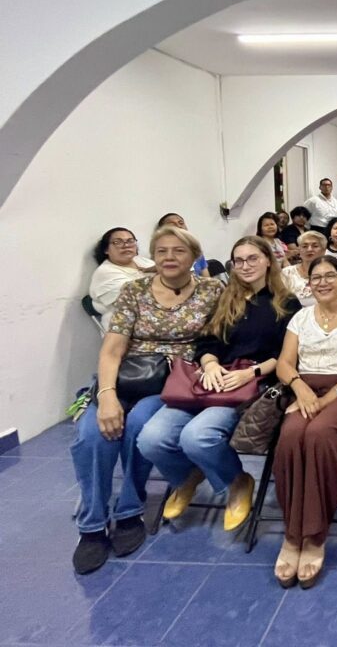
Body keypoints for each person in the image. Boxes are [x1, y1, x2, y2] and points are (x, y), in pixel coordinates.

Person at [71, 226, 222, 574]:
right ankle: (92, 526)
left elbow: (217, 340)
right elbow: (112, 350)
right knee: (92, 435)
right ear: (152, 256)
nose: (169, 257)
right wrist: (107, 396)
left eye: (179, 251)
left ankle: (129, 511)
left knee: (139, 426)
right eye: (162, 251)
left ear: (194, 256)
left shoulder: (212, 290)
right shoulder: (134, 291)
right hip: (127, 374)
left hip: (173, 380)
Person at [138, 236, 299, 533]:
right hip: (211, 379)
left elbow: (288, 355)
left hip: (251, 383)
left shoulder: (286, 303)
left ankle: (237, 481)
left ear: (268, 260)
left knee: (197, 437)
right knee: (151, 439)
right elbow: (207, 341)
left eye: (253, 258)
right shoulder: (226, 298)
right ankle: (186, 478)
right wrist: (210, 363)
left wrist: (251, 372)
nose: (245, 266)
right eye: (239, 261)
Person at [272, 255, 337, 589]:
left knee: (319, 434)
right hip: (305, 388)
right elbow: (284, 363)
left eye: (330, 275)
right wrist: (300, 388)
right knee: (291, 436)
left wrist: (326, 400)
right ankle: (293, 534)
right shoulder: (301, 318)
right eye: (316, 277)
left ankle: (315, 535)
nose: (322, 282)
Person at [89, 227, 156, 328]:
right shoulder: (105, 272)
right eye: (117, 242)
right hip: (128, 326)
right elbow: (139, 298)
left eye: (130, 241)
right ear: (106, 250)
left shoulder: (143, 261)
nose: (126, 245)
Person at [281, 231, 327, 306]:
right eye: (305, 246)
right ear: (299, 250)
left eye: (315, 246)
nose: (309, 249)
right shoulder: (286, 273)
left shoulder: (330, 273)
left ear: (324, 251)